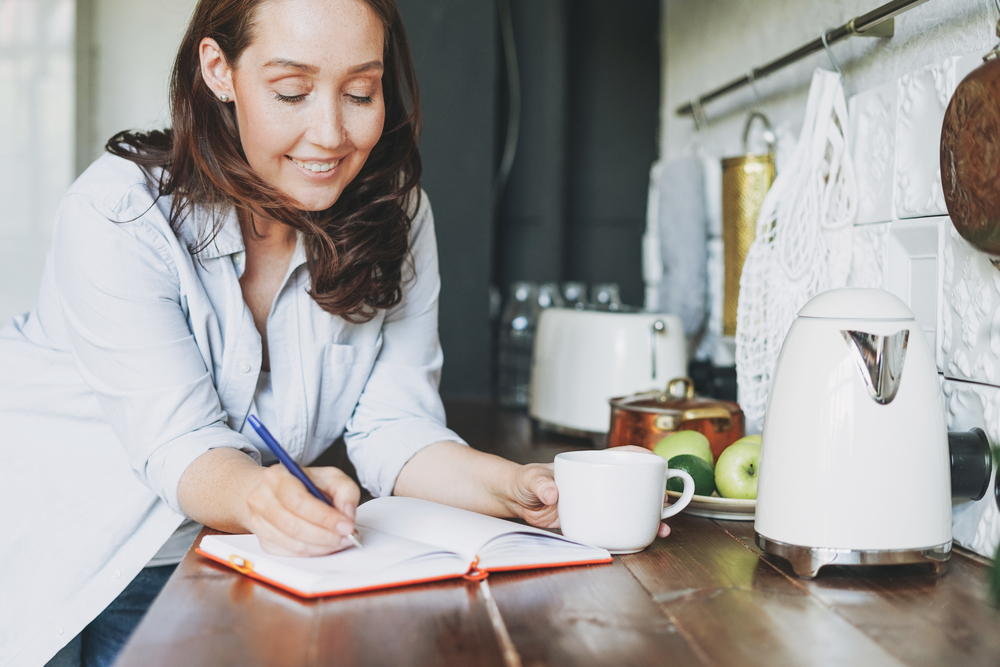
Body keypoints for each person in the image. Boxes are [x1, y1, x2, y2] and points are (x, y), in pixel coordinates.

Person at [0, 0, 670, 665]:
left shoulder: (395, 216)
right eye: (291, 91)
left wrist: (518, 488)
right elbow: (180, 442)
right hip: (48, 538)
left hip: (215, 552)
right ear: (219, 69)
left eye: (360, 92)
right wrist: (262, 492)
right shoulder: (121, 213)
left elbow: (395, 428)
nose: (330, 133)